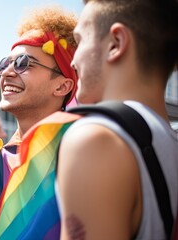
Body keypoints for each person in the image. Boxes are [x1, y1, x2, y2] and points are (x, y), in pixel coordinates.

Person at [56, 0, 178, 239]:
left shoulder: (94, 139)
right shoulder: (171, 142)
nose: (72, 61)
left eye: (79, 41)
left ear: (116, 43)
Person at [0, 6, 78, 217]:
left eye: (23, 63)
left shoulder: (80, 149)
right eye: (6, 63)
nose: (7, 73)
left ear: (62, 86)